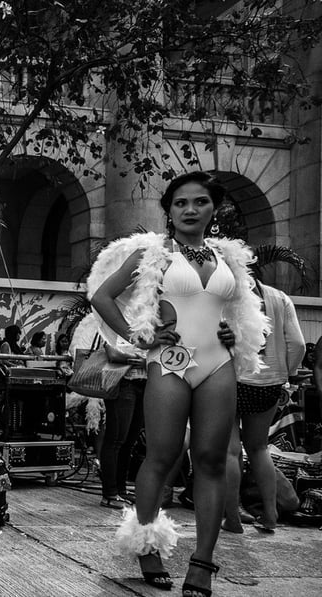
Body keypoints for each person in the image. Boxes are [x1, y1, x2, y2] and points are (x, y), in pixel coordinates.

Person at [87, 171, 268, 597]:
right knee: (161, 457)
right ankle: (147, 547)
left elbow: (238, 311)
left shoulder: (228, 257)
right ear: (168, 209)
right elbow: (101, 297)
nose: (190, 209)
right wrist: (138, 336)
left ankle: (202, 561)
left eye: (200, 201)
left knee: (211, 460)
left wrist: (234, 333)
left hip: (218, 364)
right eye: (181, 202)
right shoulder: (154, 254)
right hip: (169, 364)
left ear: (214, 209)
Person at [223, 278, 304, 533]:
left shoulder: (226, 294)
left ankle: (233, 517)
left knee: (230, 451)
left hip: (234, 379)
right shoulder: (280, 298)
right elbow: (298, 344)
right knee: (259, 448)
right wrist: (287, 372)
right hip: (270, 383)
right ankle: (270, 514)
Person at [69, 314, 147, 510]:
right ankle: (110, 493)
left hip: (143, 383)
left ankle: (121, 489)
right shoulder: (113, 322)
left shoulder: (146, 324)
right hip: (122, 383)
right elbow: (112, 353)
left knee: (129, 441)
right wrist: (139, 360)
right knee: (116, 439)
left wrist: (144, 361)